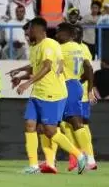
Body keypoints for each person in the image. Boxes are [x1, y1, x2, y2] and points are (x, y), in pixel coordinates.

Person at [8, 17, 88, 174]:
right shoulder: (35, 47)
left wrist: (27, 83)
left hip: (52, 93)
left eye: (29, 30)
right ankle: (33, 166)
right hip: (38, 92)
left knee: (50, 131)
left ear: (37, 30)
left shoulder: (49, 44)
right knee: (30, 125)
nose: (27, 33)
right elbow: (35, 68)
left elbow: (46, 67)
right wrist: (20, 75)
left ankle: (79, 155)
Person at [51, 23, 96, 174]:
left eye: (58, 32)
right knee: (62, 123)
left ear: (66, 33)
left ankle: (85, 157)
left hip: (67, 86)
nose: (56, 35)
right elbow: (88, 68)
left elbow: (52, 68)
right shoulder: (79, 48)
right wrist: (88, 88)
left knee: (74, 122)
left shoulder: (61, 49)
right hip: (75, 84)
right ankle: (75, 156)